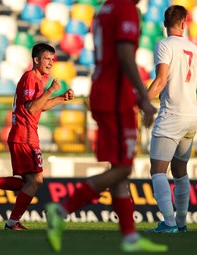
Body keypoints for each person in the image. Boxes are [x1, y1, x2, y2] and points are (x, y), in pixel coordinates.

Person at [44, 0, 168, 253]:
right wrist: (143, 98)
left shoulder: (104, 10)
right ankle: (61, 210)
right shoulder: (125, 9)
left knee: (119, 169)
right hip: (115, 97)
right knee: (123, 168)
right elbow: (124, 55)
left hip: (103, 90)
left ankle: (130, 238)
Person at [0, 43, 74, 230]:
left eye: (52, 59)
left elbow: (39, 105)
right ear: (36, 60)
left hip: (24, 134)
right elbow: (31, 108)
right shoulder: (30, 78)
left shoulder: (36, 79)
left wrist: (61, 98)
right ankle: (12, 222)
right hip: (25, 136)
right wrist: (51, 90)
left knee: (28, 183)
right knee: (36, 181)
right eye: (46, 59)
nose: (50, 63)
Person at [146, 5, 197, 233]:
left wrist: (142, 102)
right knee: (180, 171)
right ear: (184, 23)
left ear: (165, 23)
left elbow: (161, 80)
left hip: (171, 116)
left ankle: (170, 223)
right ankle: (182, 223)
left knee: (157, 170)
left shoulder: (164, 46)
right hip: (191, 117)